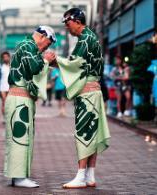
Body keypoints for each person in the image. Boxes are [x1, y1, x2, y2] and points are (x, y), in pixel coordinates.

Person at [55, 8, 110, 188]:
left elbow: (74, 65)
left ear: (77, 21)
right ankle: (90, 175)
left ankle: (80, 176)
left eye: (68, 23)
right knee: (92, 132)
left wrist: (55, 60)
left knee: (84, 132)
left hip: (87, 93)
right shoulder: (91, 37)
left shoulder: (85, 39)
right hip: (94, 91)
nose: (67, 28)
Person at [4, 25, 56, 188]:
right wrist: (46, 60)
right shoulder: (27, 46)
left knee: (22, 137)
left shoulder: (27, 46)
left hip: (22, 99)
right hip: (19, 99)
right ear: (41, 36)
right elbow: (33, 67)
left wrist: (45, 61)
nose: (45, 48)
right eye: (47, 44)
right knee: (20, 137)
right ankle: (19, 177)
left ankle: (19, 176)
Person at [0, 51, 11, 122]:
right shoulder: (0, 66)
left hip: (11, 87)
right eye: (4, 57)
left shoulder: (13, 66)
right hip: (2, 87)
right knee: (4, 102)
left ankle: (9, 116)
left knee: (10, 102)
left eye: (6, 57)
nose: (5, 58)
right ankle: (4, 117)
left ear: (9, 57)